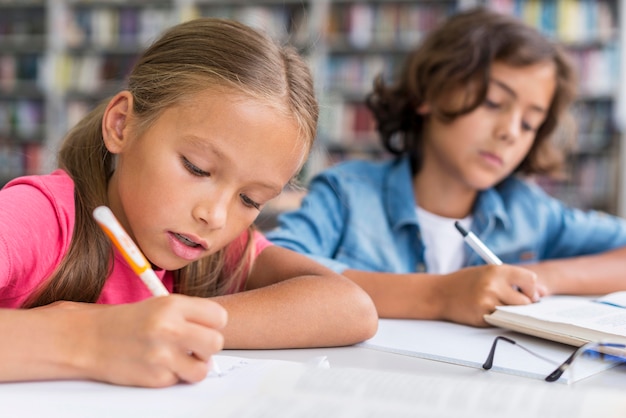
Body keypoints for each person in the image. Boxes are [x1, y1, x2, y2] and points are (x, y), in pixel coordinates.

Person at [0, 18, 377, 388]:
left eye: (250, 199)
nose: (214, 216)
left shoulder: (211, 251)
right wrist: (91, 338)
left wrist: (178, 325)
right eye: (196, 168)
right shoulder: (40, 216)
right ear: (121, 125)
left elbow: (351, 308)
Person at [266, 8, 626, 328]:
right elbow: (268, 267)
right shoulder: (348, 193)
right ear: (430, 94)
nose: (510, 132)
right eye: (493, 102)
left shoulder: (530, 211)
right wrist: (440, 295)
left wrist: (543, 275)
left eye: (530, 124)